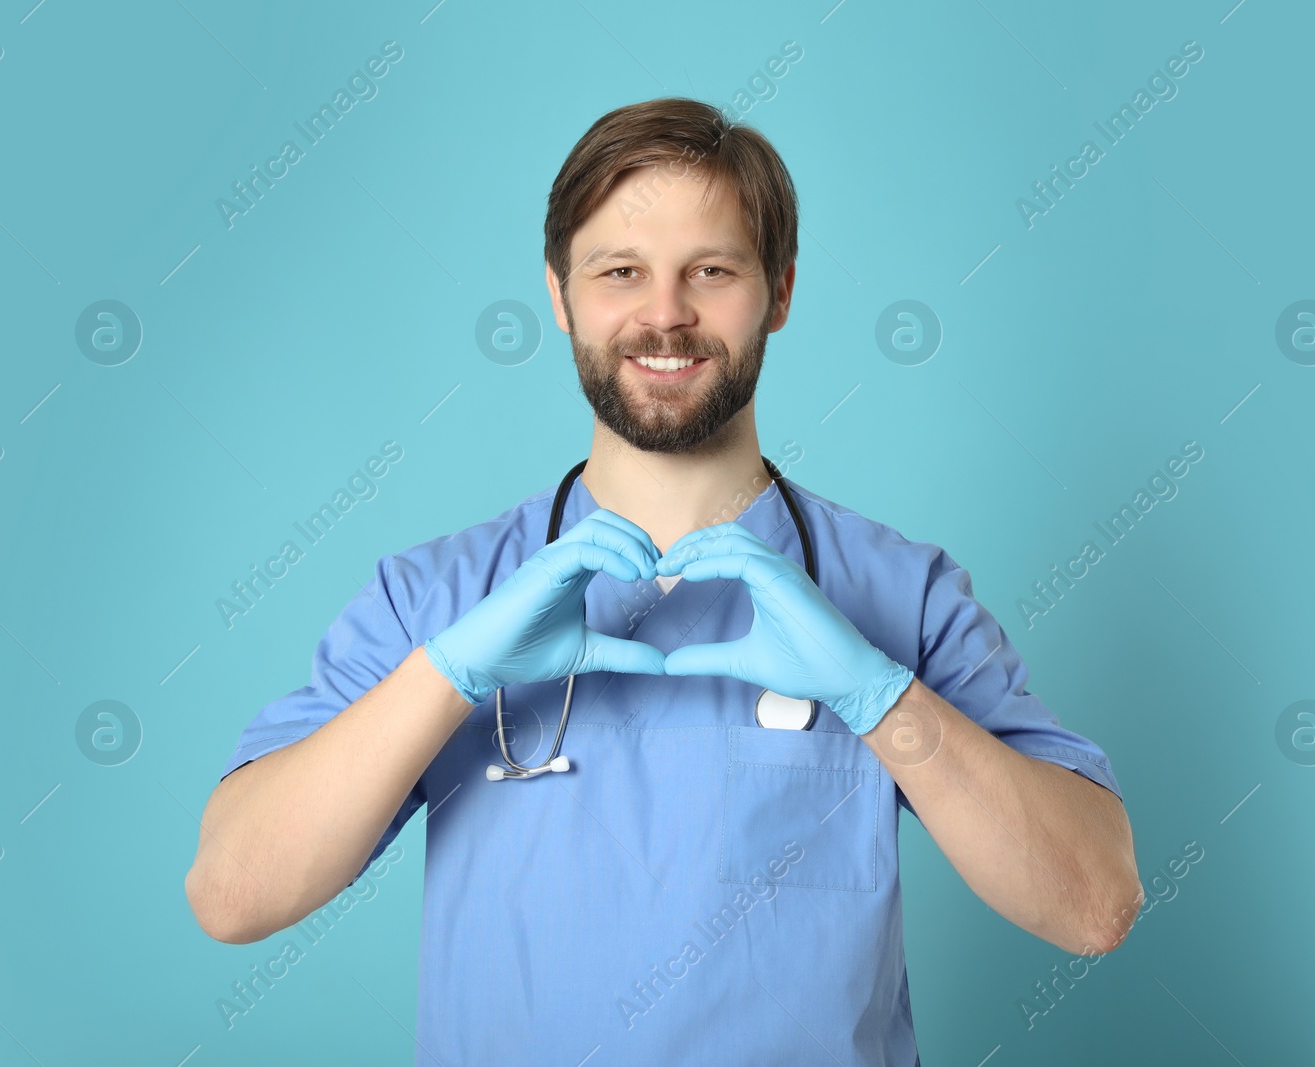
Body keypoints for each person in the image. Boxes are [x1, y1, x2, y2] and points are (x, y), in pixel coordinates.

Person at [184, 96, 1139, 1065]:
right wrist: (450, 674)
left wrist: (880, 695)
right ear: (559, 295)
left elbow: (1095, 902)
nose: (665, 313)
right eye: (620, 272)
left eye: (711, 271)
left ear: (780, 290)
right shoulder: (437, 597)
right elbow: (231, 892)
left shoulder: (901, 593)